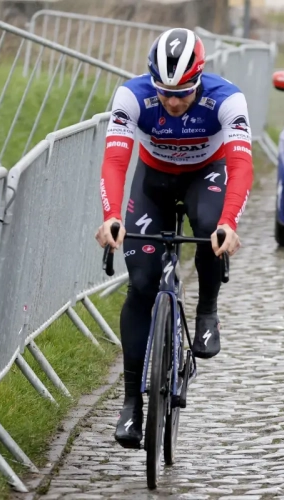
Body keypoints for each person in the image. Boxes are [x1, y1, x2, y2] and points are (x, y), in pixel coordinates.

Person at [94, 28, 254, 448]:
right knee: (142, 284)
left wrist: (230, 222)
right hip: (154, 182)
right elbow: (115, 160)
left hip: (207, 175)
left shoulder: (227, 98)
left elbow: (240, 165)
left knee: (207, 228)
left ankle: (206, 313)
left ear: (199, 78)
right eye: (164, 92)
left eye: (183, 92)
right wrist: (112, 216)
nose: (173, 101)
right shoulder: (131, 96)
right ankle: (131, 404)